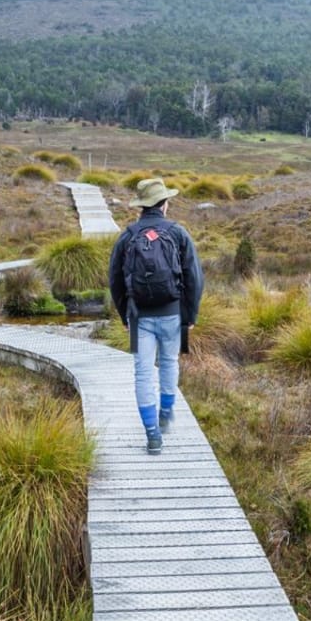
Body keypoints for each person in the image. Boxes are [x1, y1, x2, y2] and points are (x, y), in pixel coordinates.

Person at [108, 177, 204, 454]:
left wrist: (124, 316)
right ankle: (166, 414)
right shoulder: (177, 232)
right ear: (164, 204)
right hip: (173, 313)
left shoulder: (128, 235)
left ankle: (152, 434)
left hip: (139, 316)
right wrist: (190, 313)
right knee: (169, 361)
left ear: (141, 206)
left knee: (142, 372)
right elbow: (194, 277)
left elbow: (114, 279)